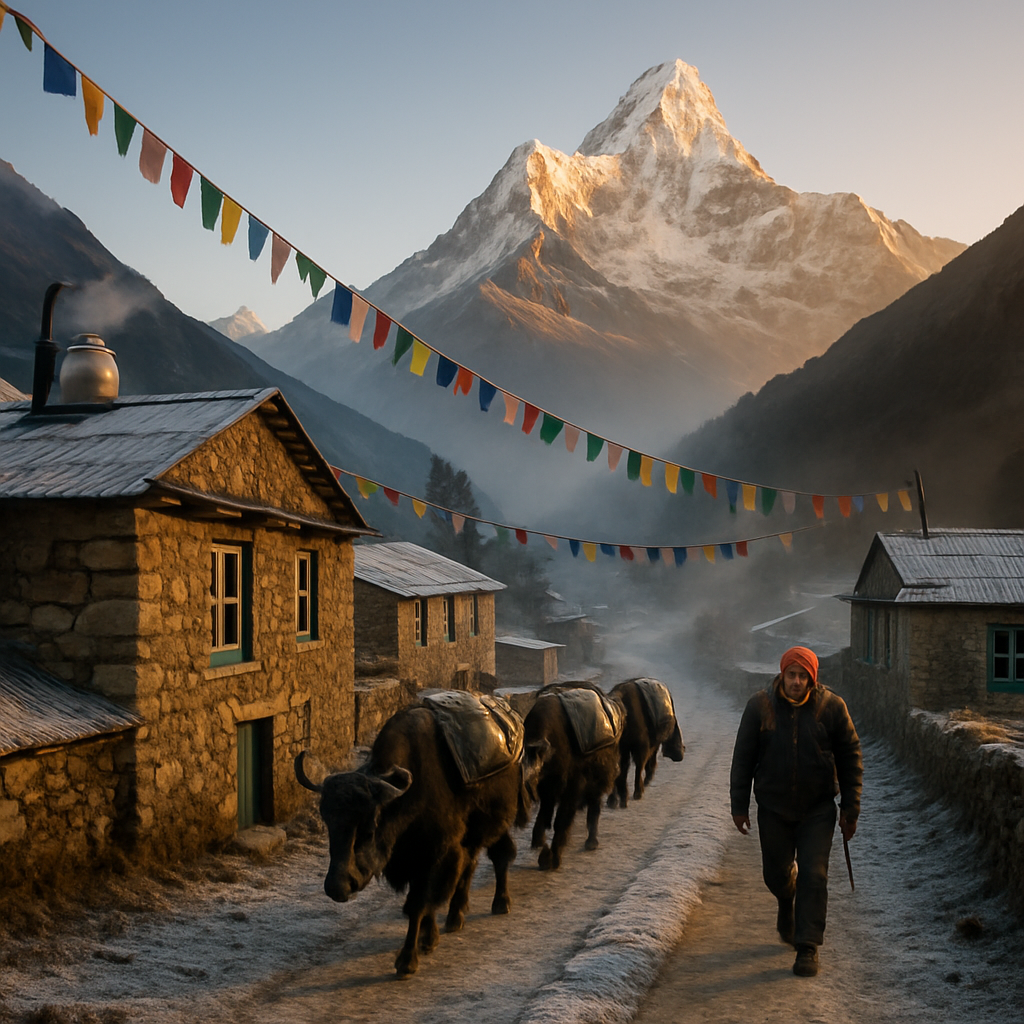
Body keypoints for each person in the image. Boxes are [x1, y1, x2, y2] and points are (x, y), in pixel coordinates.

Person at [729, 645, 862, 977]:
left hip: (817, 809)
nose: (797, 682)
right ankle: (785, 901)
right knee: (776, 875)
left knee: (814, 876)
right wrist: (739, 805)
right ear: (782, 674)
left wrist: (850, 807)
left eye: (804, 676)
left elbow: (850, 757)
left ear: (812, 680)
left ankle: (807, 947)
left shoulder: (832, 708)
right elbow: (743, 758)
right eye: (792, 675)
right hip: (773, 807)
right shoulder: (760, 707)